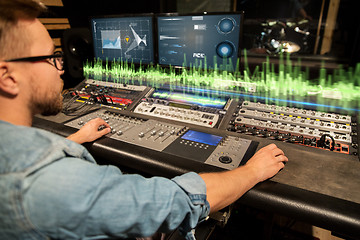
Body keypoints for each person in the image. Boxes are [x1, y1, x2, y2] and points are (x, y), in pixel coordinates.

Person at [0, 0, 288, 239]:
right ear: (8, 77)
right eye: (52, 58)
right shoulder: (47, 184)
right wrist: (253, 171)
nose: (61, 68)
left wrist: (74, 140)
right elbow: (176, 202)